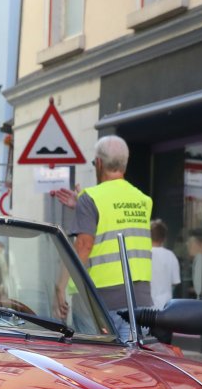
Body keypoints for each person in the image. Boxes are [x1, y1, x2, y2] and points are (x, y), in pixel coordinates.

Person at [51, 134, 152, 314]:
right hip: (140, 302)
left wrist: (60, 286)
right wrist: (83, 206)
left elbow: (84, 246)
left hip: (100, 302)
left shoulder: (90, 198)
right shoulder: (143, 200)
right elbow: (115, 218)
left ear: (98, 163)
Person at [148, 220, 180, 309]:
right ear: (164, 238)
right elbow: (175, 282)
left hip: (146, 306)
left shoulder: (143, 255)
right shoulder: (171, 256)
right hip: (166, 306)